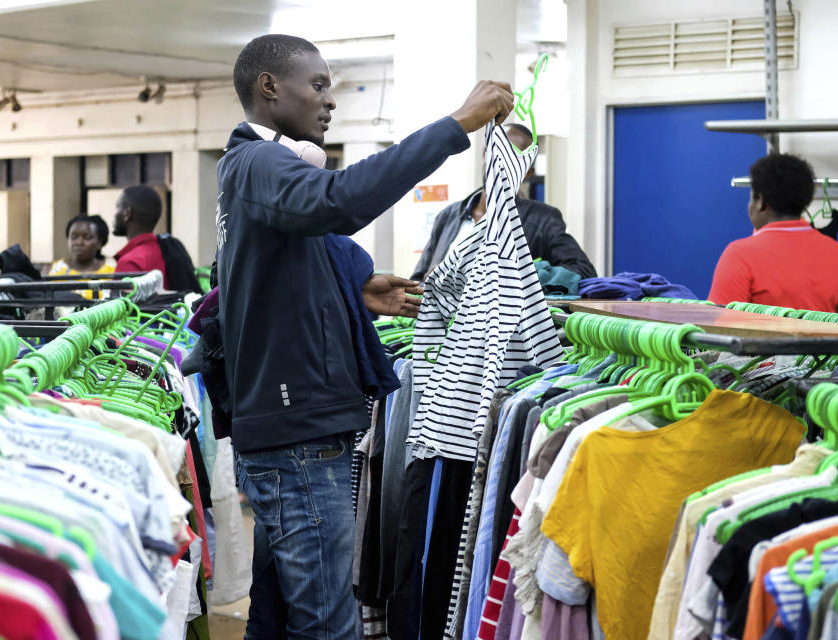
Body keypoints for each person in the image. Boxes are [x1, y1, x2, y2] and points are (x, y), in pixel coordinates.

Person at [217, 32, 513, 639]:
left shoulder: (261, 172)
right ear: (269, 87)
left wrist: (354, 288)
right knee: (329, 623)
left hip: (289, 432)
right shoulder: (257, 162)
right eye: (318, 85)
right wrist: (456, 125)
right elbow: (340, 203)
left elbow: (274, 267)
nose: (329, 102)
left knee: (280, 616)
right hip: (297, 439)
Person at [411, 122, 596, 281]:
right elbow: (418, 279)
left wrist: (505, 276)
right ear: (485, 153)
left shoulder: (543, 219)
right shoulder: (449, 216)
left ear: (528, 173)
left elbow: (583, 271)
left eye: (514, 159)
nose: (501, 164)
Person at [708, 153, 838, 314]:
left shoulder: (739, 255)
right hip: (825, 340)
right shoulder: (836, 253)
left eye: (751, 197)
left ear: (760, 201)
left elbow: (719, 329)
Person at [48, 214, 115, 299]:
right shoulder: (55, 270)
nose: (79, 242)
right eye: (74, 237)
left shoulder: (113, 269)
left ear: (100, 242)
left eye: (87, 237)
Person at [112, 185, 168, 285]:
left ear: (127, 214)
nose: (114, 214)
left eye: (117, 207)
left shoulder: (130, 262)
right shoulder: (168, 249)